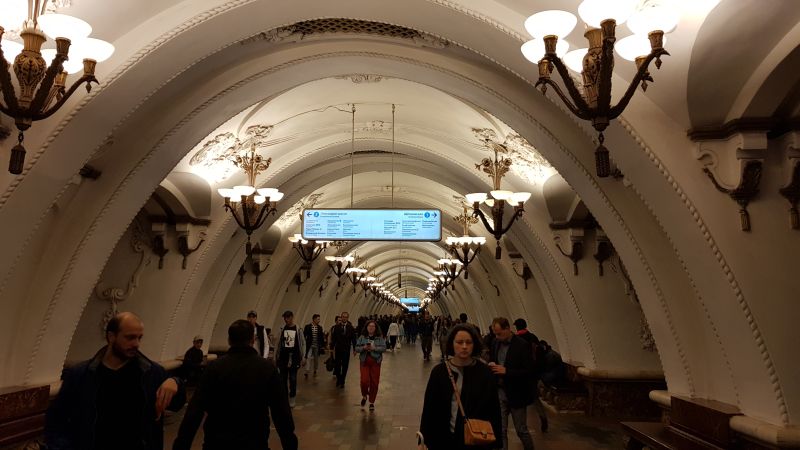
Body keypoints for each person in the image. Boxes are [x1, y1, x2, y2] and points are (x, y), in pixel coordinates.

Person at [45, 312, 185, 450]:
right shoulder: (80, 375)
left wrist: (175, 382)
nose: (136, 344)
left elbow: (176, 404)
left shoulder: (151, 373)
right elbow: (57, 419)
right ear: (111, 337)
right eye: (130, 338)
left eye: (139, 338)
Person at [172, 319, 298, 450]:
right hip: (254, 442)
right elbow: (281, 412)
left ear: (229, 340)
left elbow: (195, 410)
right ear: (252, 340)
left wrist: (182, 444)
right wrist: (290, 444)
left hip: (216, 442)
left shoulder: (214, 368)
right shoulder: (267, 369)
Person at [420, 324, 502, 449]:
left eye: (468, 342)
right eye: (459, 342)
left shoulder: (484, 373)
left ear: (474, 345)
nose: (464, 346)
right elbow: (429, 408)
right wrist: (424, 439)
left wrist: (496, 443)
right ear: (452, 344)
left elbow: (493, 409)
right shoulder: (439, 372)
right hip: (445, 438)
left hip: (476, 438)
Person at [489, 318, 536, 450]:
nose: (497, 337)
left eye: (499, 333)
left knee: (521, 430)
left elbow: (529, 371)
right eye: (495, 334)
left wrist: (507, 371)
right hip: (500, 391)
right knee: (501, 430)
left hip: (517, 393)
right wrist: (492, 365)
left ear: (508, 329)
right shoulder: (495, 343)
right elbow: (494, 359)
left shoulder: (521, 345)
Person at [513, 318, 548, 432]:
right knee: (535, 398)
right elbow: (541, 356)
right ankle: (543, 417)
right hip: (533, 374)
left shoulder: (516, 340)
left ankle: (522, 425)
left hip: (521, 374)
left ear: (517, 327)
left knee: (520, 400)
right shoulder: (533, 337)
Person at [275, 310, 305, 408]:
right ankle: (284, 397)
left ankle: (292, 397)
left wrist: (303, 357)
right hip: (283, 358)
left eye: (287, 317)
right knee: (282, 379)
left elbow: (302, 343)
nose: (286, 319)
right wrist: (276, 355)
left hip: (294, 358)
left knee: (293, 379)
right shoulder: (282, 329)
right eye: (285, 318)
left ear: (292, 317)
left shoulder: (298, 329)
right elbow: (277, 343)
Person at [355, 320, 387, 410]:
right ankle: (364, 395)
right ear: (366, 327)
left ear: (376, 328)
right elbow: (356, 348)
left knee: (374, 382)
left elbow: (384, 348)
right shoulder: (362, 337)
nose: (371, 328)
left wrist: (374, 348)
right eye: (369, 326)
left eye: (373, 326)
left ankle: (372, 401)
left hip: (375, 362)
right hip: (364, 361)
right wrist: (363, 347)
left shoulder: (379, 338)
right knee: (364, 381)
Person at [329, 311, 356, 388]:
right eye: (343, 317)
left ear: (348, 318)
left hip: (346, 350)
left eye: (346, 317)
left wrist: (354, 349)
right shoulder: (336, 327)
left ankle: (342, 380)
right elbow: (333, 338)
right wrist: (331, 348)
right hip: (338, 349)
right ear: (341, 317)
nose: (344, 318)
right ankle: (339, 378)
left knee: (345, 366)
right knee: (337, 366)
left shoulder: (351, 328)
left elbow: (353, 339)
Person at [304, 313, 326, 378]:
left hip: (316, 345)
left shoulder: (319, 327)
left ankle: (315, 369)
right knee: (308, 357)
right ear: (314, 319)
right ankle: (307, 371)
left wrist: (323, 345)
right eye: (318, 319)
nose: (319, 320)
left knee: (316, 359)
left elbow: (321, 337)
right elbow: (304, 335)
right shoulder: (307, 327)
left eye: (319, 319)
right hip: (309, 345)